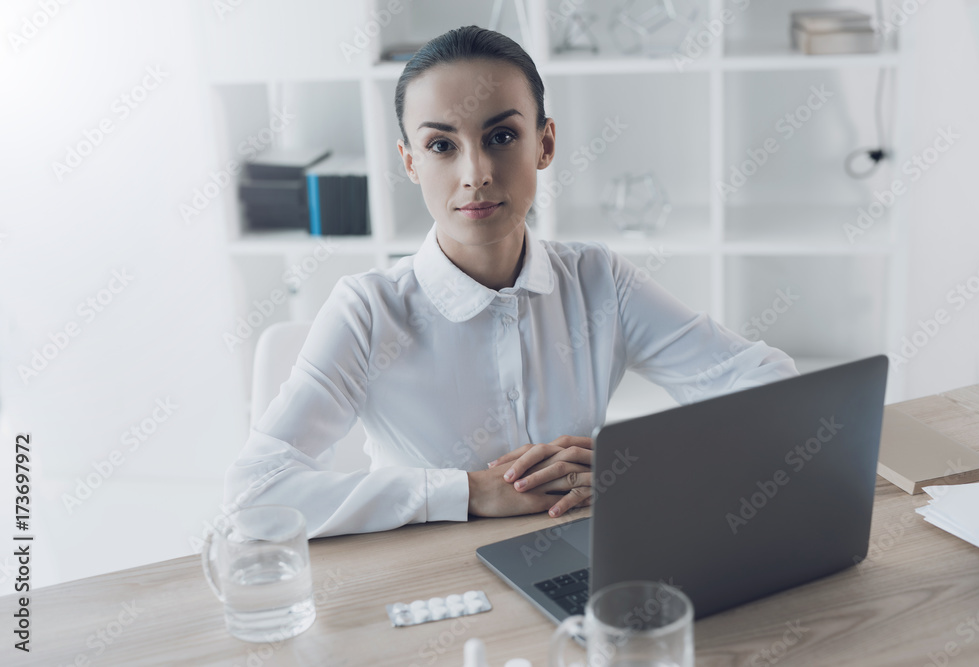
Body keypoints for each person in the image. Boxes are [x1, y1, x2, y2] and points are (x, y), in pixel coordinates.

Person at [222, 25, 799, 539]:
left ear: (545, 144)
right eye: (441, 145)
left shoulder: (599, 282)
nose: (475, 174)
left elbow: (770, 388)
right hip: (424, 578)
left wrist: (633, 462)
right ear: (410, 162)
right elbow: (255, 494)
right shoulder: (369, 311)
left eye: (501, 137)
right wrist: (468, 492)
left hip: (573, 556)